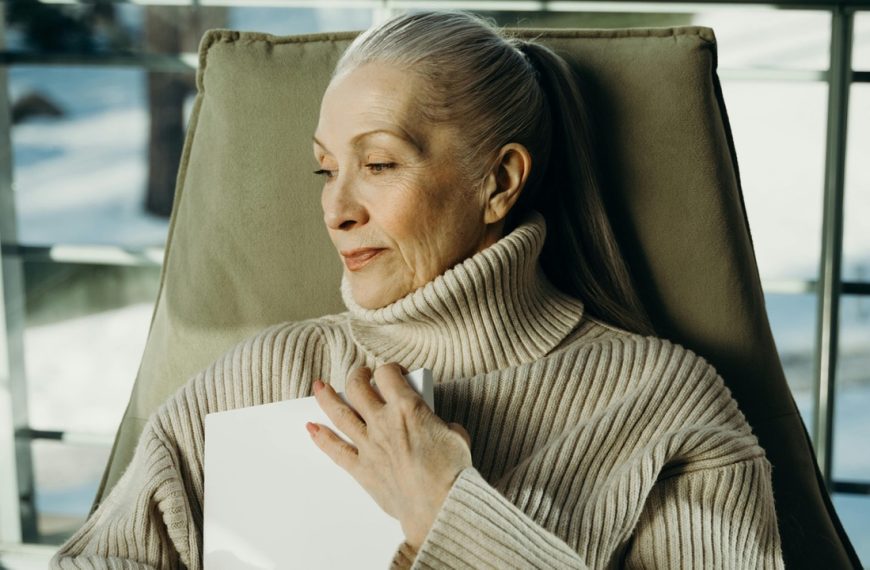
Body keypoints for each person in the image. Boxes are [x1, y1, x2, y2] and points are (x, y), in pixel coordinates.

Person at [51, 10, 784, 569]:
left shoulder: (668, 406)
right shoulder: (260, 375)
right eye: (325, 168)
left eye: (378, 164)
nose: (337, 209)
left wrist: (448, 513)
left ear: (498, 182)